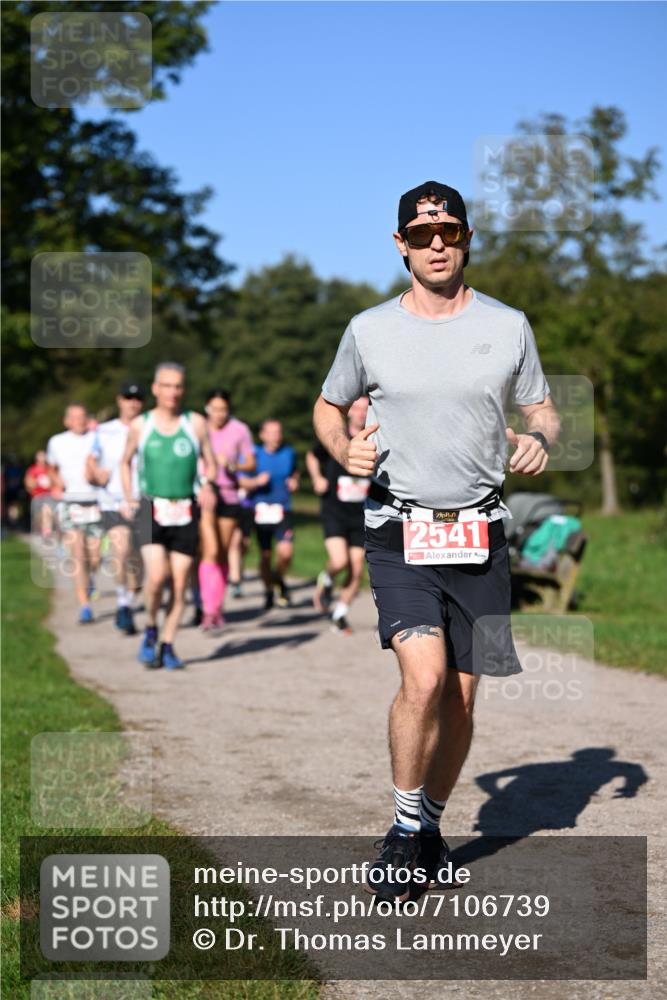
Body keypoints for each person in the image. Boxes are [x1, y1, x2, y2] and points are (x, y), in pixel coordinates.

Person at [313, 180, 560, 900]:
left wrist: (540, 437)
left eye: (448, 231)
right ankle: (400, 829)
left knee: (460, 698)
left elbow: (542, 407)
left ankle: (427, 828)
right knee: (422, 680)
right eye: (421, 235)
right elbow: (327, 406)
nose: (436, 245)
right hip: (400, 528)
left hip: (480, 532)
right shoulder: (369, 329)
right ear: (401, 244)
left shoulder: (508, 325)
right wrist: (343, 449)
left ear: (466, 237)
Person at [121, 363, 217, 669]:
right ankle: (150, 627)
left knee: (179, 582)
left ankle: (168, 643)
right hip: (151, 507)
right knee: (156, 576)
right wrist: (129, 497)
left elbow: (211, 462)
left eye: (177, 386)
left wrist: (207, 484)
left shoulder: (195, 423)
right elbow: (125, 462)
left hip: (185, 508)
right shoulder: (141, 425)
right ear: (155, 389)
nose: (172, 392)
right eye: (166, 386)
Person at [306, 396, 370, 633]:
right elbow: (312, 456)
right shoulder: (336, 437)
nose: (361, 413)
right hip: (335, 510)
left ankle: (340, 613)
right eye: (357, 408)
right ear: (349, 411)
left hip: (362, 514)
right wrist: (317, 478)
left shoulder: (375, 439)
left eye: (366, 408)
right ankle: (327, 578)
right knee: (340, 561)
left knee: (356, 568)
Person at [86, 382, 145, 635]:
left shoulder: (149, 427)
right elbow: (90, 463)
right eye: (128, 398)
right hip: (113, 500)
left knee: (140, 561)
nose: (133, 403)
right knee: (120, 552)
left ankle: (130, 600)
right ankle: (123, 603)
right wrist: (96, 474)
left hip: (144, 501)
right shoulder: (104, 431)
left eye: (137, 398)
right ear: (119, 400)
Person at [197, 388, 255, 630]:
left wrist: (232, 465)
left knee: (221, 552)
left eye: (223, 409)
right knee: (209, 551)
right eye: (215, 409)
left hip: (229, 496)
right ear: (207, 408)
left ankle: (215, 608)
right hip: (203, 496)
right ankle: (207, 608)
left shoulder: (239, 429)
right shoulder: (198, 427)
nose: (219, 414)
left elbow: (251, 462)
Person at [46, 404, 104, 623]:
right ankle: (84, 606)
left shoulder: (97, 437)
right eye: (75, 417)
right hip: (70, 503)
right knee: (78, 555)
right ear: (66, 421)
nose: (79, 420)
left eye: (83, 416)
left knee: (95, 557)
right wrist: (56, 482)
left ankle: (90, 579)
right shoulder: (57, 441)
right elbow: (51, 468)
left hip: (96, 502)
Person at [239, 419, 299, 611]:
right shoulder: (253, 454)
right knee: (265, 556)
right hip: (260, 511)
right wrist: (256, 481)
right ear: (262, 435)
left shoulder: (289, 453)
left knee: (286, 553)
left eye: (278, 432)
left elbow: (295, 472)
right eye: (271, 432)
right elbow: (241, 481)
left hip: (283, 509)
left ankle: (278, 579)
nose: (276, 436)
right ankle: (268, 591)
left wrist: (294, 481)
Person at [24, 449, 54, 538]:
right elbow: (28, 483)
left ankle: (47, 532)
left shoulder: (49, 469)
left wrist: (50, 483)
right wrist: (38, 482)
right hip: (37, 497)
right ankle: (40, 532)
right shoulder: (32, 469)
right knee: (38, 517)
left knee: (47, 512)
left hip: (48, 496)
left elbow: (55, 481)